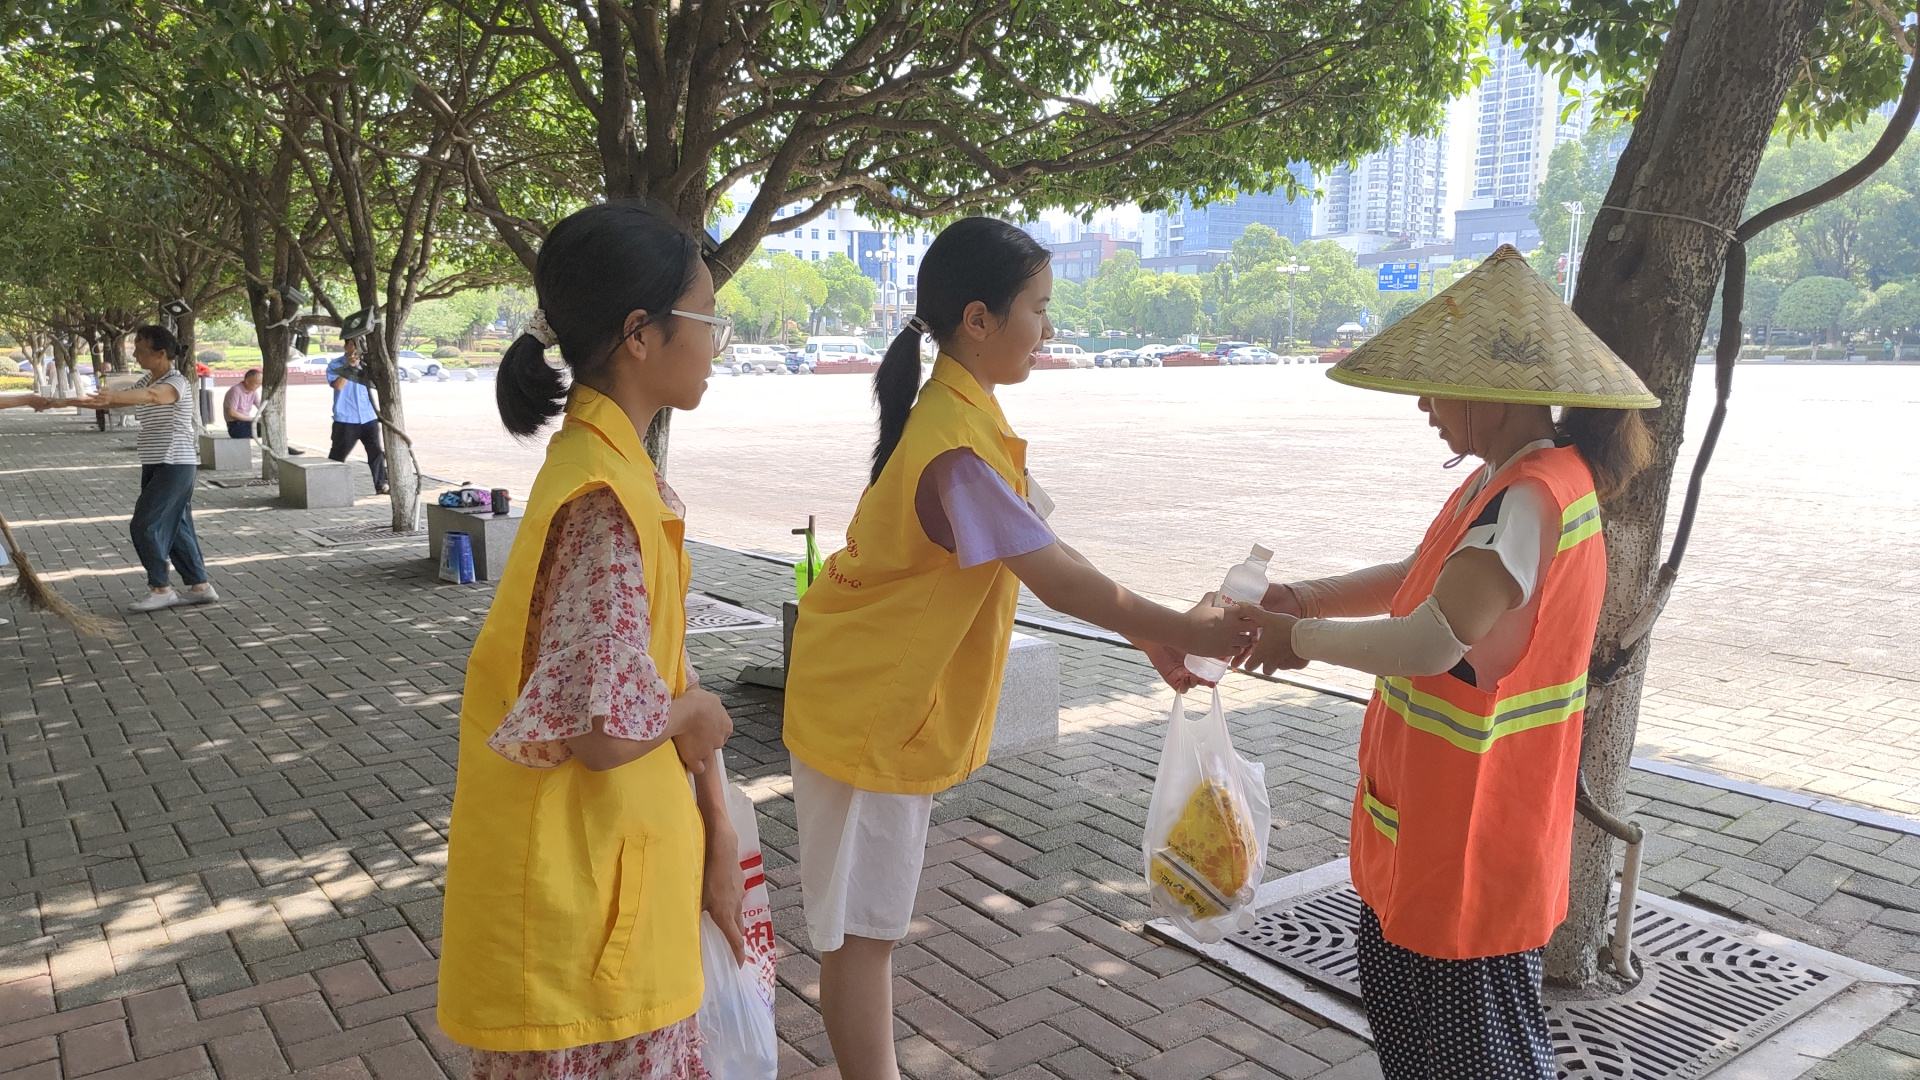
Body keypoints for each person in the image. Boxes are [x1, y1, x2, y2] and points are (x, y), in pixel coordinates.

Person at [782, 217, 1258, 1080]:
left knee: (867, 928)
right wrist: (1187, 630)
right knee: (858, 934)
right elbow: (1056, 579)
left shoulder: (967, 419)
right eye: (1038, 308)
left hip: (868, 698)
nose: (1048, 327)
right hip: (864, 709)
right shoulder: (956, 448)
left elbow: (1047, 548)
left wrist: (1155, 637)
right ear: (978, 320)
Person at [1233, 245, 1658, 1080]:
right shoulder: (1509, 481)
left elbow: (1434, 638)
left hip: (1476, 829)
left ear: (1492, 393)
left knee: (1475, 1054)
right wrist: (1304, 599)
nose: (1424, 404)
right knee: (1423, 1037)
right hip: (1440, 815)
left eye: (1436, 386)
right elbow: (1420, 574)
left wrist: (1297, 641)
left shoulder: (1529, 498)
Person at [438, 201, 746, 1080]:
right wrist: (695, 715)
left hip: (609, 893)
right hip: (583, 923)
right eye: (707, 320)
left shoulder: (611, 473)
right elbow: (601, 729)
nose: (716, 344)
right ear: (641, 334)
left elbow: (648, 670)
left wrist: (716, 824)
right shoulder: (603, 500)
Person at [59, 325, 220, 613]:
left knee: (144, 525)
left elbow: (154, 397)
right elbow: (115, 400)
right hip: (155, 462)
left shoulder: (176, 382)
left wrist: (113, 397)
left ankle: (161, 588)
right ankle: (200, 586)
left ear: (161, 353)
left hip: (175, 463)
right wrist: (55, 402)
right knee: (178, 527)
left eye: (141, 350)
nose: (135, 355)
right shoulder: (147, 379)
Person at [327, 338, 387, 494]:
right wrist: (350, 367)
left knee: (376, 452)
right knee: (338, 454)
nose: (356, 348)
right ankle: (329, 486)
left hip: (368, 417)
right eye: (353, 344)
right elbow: (338, 386)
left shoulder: (366, 365)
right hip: (346, 419)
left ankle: (381, 484)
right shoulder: (335, 365)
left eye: (359, 345)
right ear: (346, 346)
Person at [224, 368, 261, 439]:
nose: (258, 386)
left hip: (247, 423)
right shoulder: (236, 390)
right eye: (256, 383)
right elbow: (232, 413)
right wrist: (253, 419)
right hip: (235, 425)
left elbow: (261, 406)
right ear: (247, 381)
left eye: (260, 384)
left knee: (269, 427)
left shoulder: (253, 391)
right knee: (263, 430)